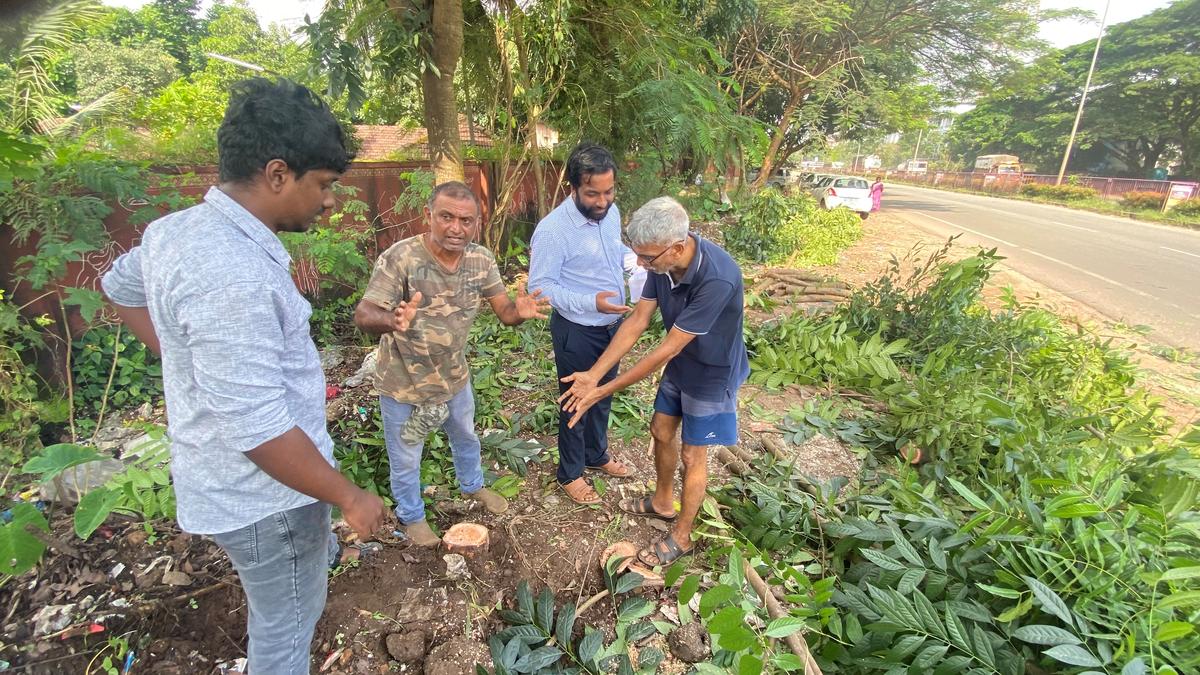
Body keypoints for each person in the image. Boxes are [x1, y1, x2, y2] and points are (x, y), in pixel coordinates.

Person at [102, 78, 389, 675]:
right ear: (278, 173)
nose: (332, 201)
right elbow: (259, 431)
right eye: (325, 185)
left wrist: (186, 360)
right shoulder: (234, 275)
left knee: (283, 609)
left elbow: (119, 287)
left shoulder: (174, 232)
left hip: (230, 481)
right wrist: (348, 496)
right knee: (284, 632)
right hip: (268, 501)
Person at [354, 181, 551, 547]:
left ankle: (472, 486)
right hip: (403, 383)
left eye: (466, 220)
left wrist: (519, 312)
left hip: (453, 379)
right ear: (429, 215)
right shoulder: (402, 258)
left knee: (465, 436)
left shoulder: (481, 261)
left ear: (477, 222)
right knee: (407, 455)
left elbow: (505, 313)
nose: (455, 228)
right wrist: (391, 320)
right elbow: (364, 313)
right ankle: (412, 516)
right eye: (446, 217)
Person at [559, 197, 749, 566]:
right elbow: (636, 322)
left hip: (712, 373)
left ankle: (682, 534)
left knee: (694, 455)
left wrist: (601, 392)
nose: (642, 265)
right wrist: (593, 374)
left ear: (677, 247)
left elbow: (665, 349)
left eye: (648, 258)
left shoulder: (718, 277)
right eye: (639, 256)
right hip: (681, 365)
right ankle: (663, 501)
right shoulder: (661, 266)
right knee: (661, 430)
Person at [529, 142, 646, 505]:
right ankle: (570, 473)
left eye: (609, 191)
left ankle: (597, 456)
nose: (602, 201)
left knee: (602, 394)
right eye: (592, 193)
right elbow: (540, 288)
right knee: (576, 402)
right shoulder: (553, 231)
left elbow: (612, 250)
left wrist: (632, 261)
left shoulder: (609, 214)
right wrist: (590, 301)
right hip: (576, 331)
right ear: (573, 188)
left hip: (612, 327)